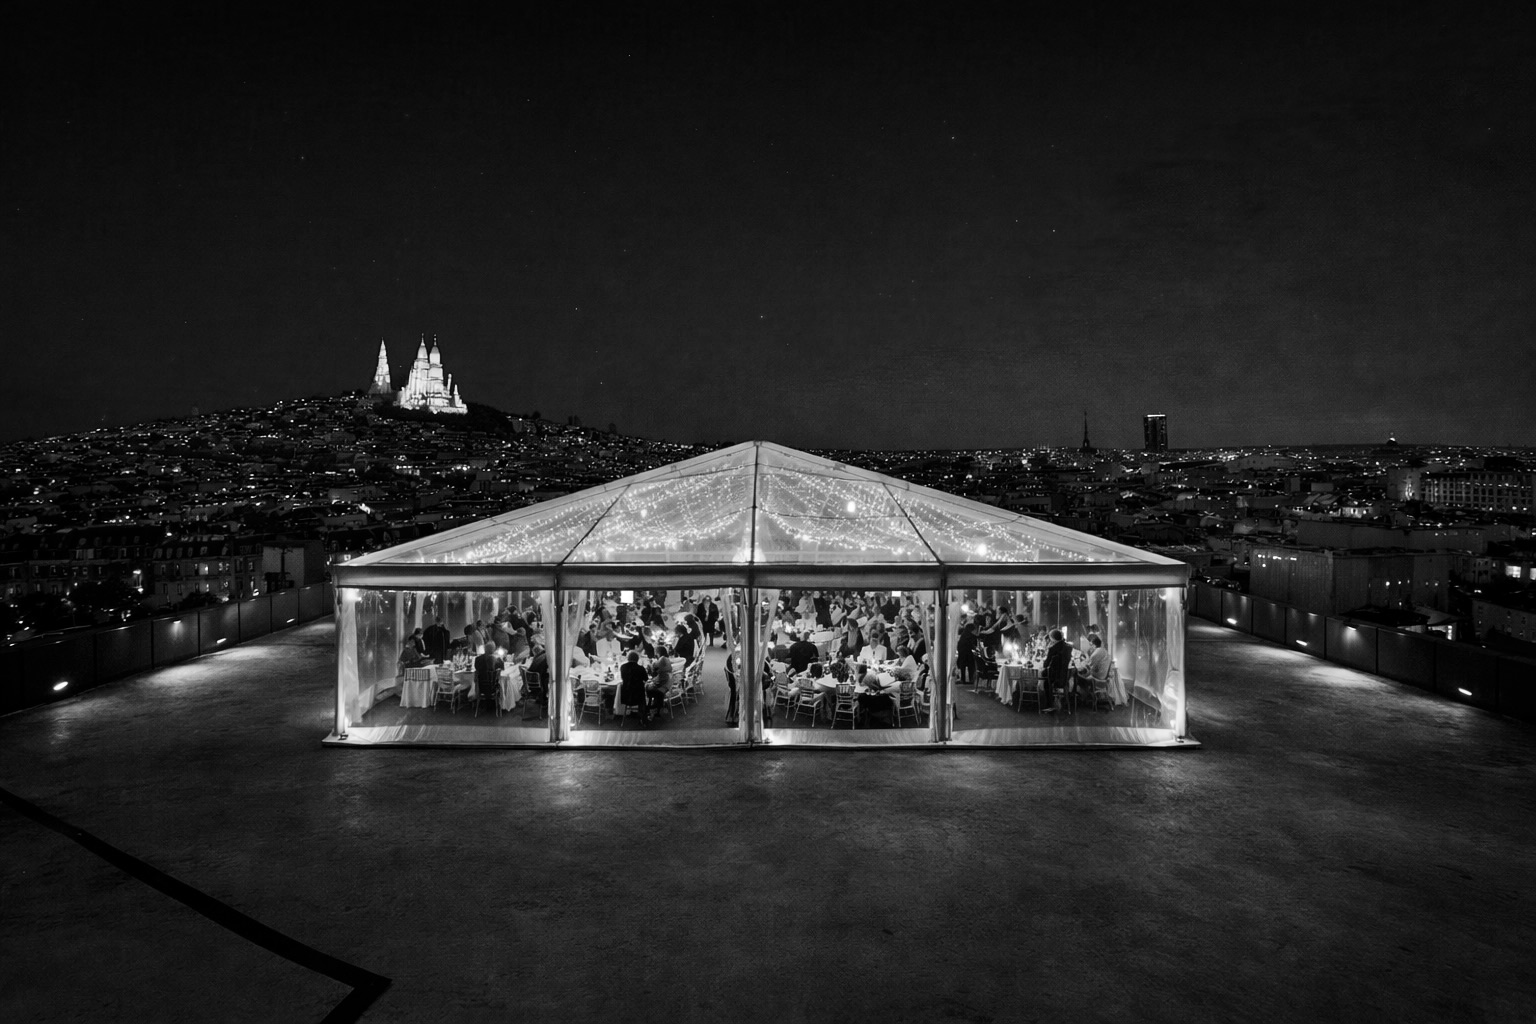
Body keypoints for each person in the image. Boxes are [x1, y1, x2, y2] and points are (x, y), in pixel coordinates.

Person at [1041, 628, 1072, 713]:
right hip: (1064, 676)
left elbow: (1046, 664)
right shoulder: (1068, 647)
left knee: (1045, 681)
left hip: (1054, 677)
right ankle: (1061, 702)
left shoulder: (1053, 648)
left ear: (1052, 638)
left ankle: (1049, 704)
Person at [646, 650, 675, 722]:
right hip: (664, 689)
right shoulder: (668, 672)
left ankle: (648, 709)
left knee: (646, 688)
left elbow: (656, 683)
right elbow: (657, 680)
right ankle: (654, 709)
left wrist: (647, 684)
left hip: (660, 690)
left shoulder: (664, 675)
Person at [619, 650, 649, 720]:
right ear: (637, 659)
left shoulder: (623, 667)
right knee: (643, 694)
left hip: (626, 695)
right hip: (638, 695)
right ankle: (643, 717)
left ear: (628, 658)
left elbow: (622, 677)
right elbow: (646, 679)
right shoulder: (641, 668)